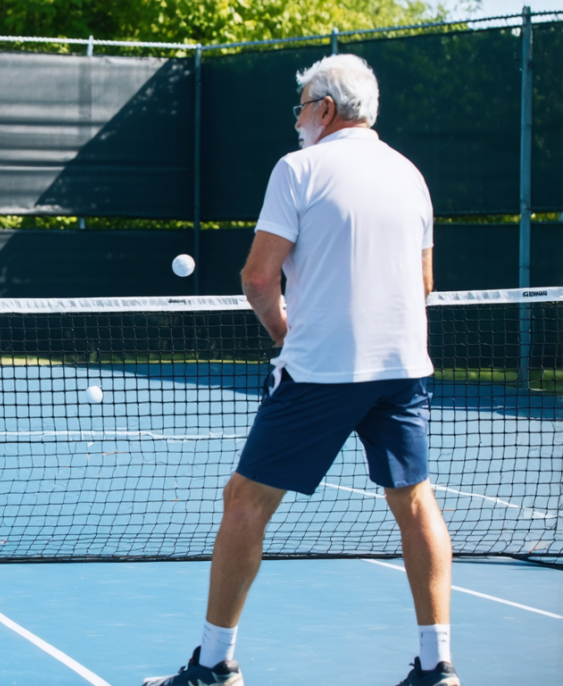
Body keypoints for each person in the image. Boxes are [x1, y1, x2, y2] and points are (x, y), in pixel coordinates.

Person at [143, 55, 458, 686]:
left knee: (245, 501)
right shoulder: (411, 175)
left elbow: (259, 280)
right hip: (403, 369)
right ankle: (436, 666)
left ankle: (213, 663)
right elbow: (423, 282)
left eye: (302, 106)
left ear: (327, 109)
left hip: (319, 373)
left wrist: (290, 336)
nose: (297, 119)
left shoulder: (299, 169)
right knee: (416, 503)